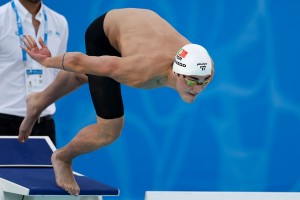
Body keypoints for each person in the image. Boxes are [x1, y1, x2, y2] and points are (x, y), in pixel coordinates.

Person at [19, 8, 214, 195]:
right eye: (191, 80)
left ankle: (37, 101)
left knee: (93, 77)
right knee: (110, 130)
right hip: (105, 34)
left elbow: (199, 75)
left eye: (203, 81)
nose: (197, 88)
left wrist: (198, 78)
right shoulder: (140, 71)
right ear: (175, 71)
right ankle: (62, 158)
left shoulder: (205, 67)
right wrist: (46, 61)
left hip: (139, 27)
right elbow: (80, 62)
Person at [0, 0, 68, 145]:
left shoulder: (59, 22)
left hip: (44, 123)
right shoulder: (2, 17)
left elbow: (58, 73)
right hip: (4, 120)